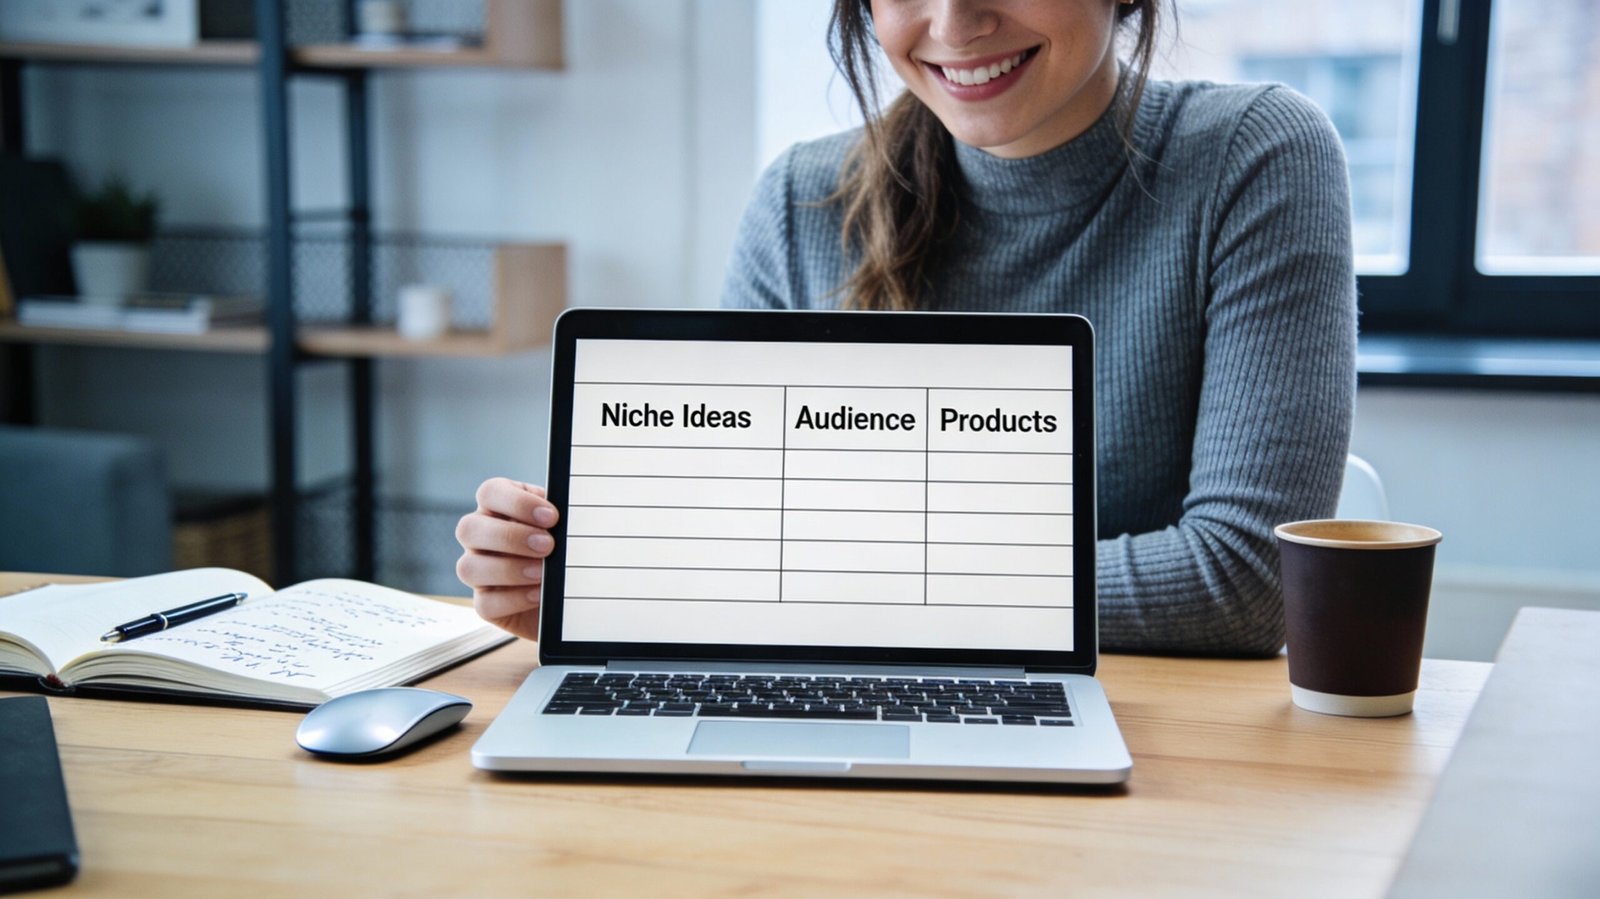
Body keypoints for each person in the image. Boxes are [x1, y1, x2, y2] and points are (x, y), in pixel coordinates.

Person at [456, 0, 1356, 656]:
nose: (956, 22)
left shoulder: (1255, 156)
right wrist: (594, 579)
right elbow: (723, 546)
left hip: (1153, 749)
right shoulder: (800, 203)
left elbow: (1246, 579)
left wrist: (812, 587)